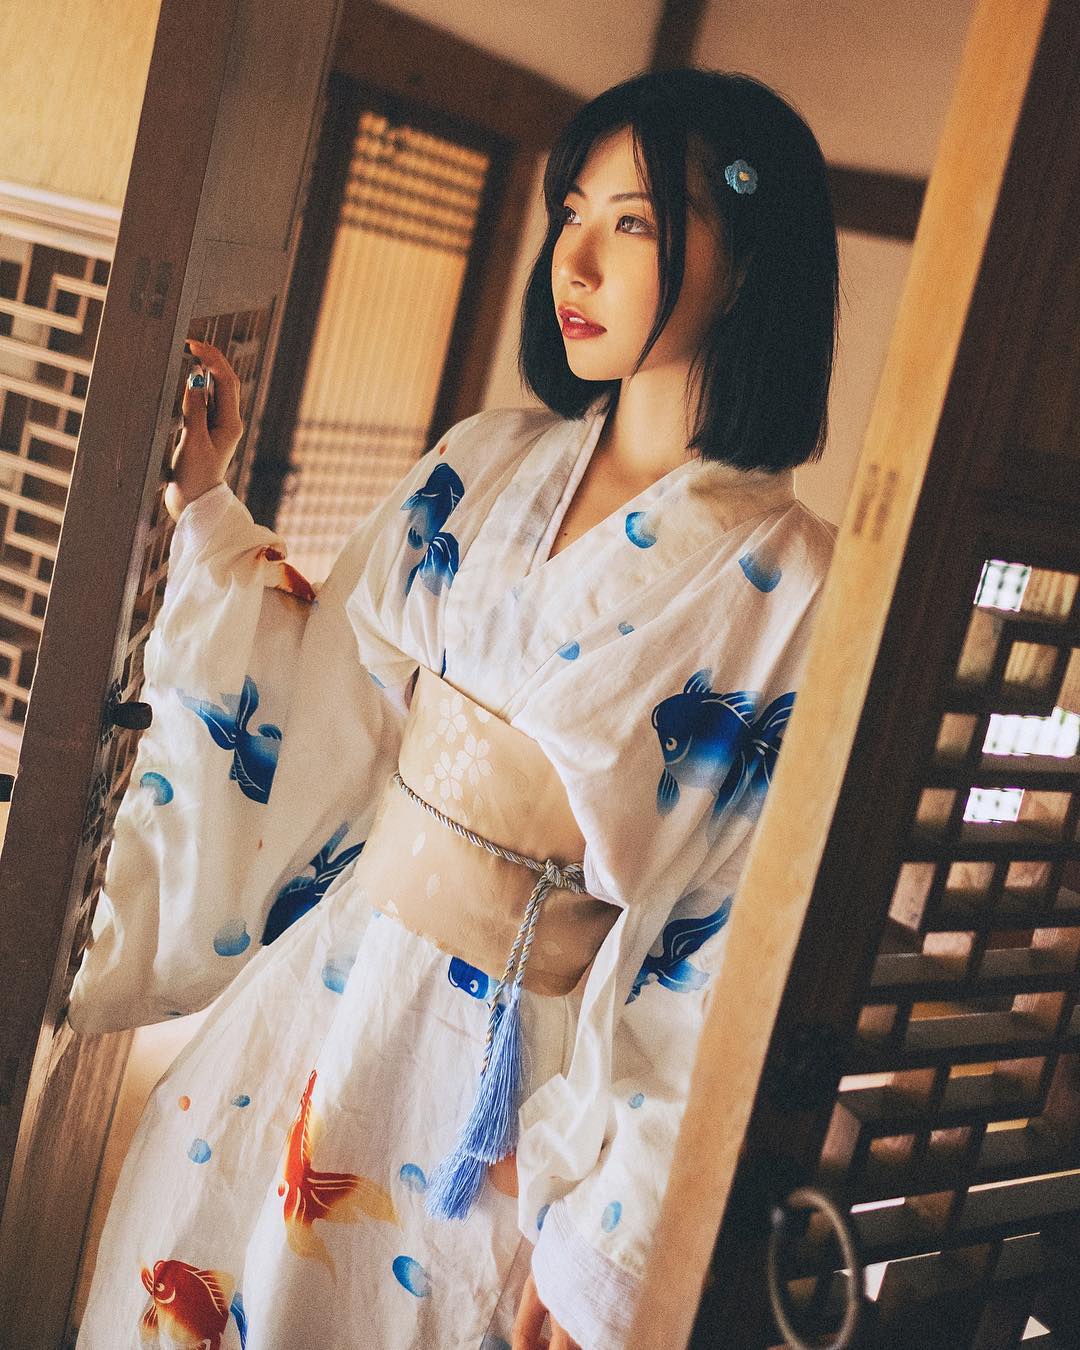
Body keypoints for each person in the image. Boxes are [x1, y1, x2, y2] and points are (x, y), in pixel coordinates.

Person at [71, 66, 838, 1350]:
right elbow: (324, 698)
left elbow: (727, 942)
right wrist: (210, 514)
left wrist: (609, 1238)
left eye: (635, 224)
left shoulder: (796, 587)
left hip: (514, 1091)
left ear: (751, 258)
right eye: (570, 214)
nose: (575, 261)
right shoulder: (487, 460)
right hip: (325, 997)